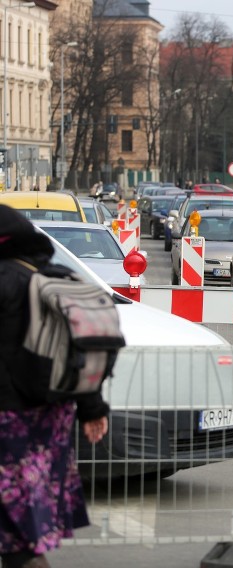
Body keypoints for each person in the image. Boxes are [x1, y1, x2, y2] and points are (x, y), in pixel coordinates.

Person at [0, 205, 109, 568]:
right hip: (49, 421)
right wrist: (92, 408)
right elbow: (82, 347)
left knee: (14, 533)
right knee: (25, 524)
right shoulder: (55, 277)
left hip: (7, 420)